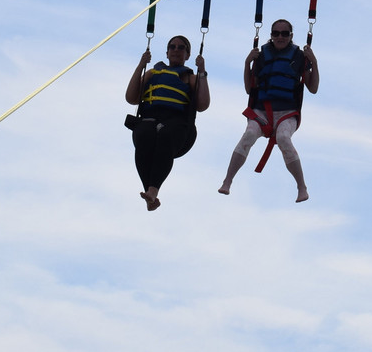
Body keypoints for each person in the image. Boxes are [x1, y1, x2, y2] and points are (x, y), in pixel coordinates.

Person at [218, 19, 319, 203]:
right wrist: (248, 62)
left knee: (283, 138)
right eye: (276, 33)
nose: (280, 37)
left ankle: (301, 187)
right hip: (262, 111)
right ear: (271, 35)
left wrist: (314, 61)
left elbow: (313, 88)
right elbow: (249, 89)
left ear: (291, 36)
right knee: (248, 135)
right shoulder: (261, 55)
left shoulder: (299, 57)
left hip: (287, 112)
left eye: (284, 33)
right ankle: (227, 181)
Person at [125, 35, 209, 211]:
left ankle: (153, 191)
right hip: (149, 118)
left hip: (177, 122)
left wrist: (201, 71)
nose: (176, 50)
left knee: (165, 135)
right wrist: (141, 65)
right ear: (167, 52)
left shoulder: (189, 78)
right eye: (172, 47)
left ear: (187, 54)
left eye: (181, 47)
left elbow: (202, 105)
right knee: (144, 135)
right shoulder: (153, 73)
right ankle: (150, 192)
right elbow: (131, 98)